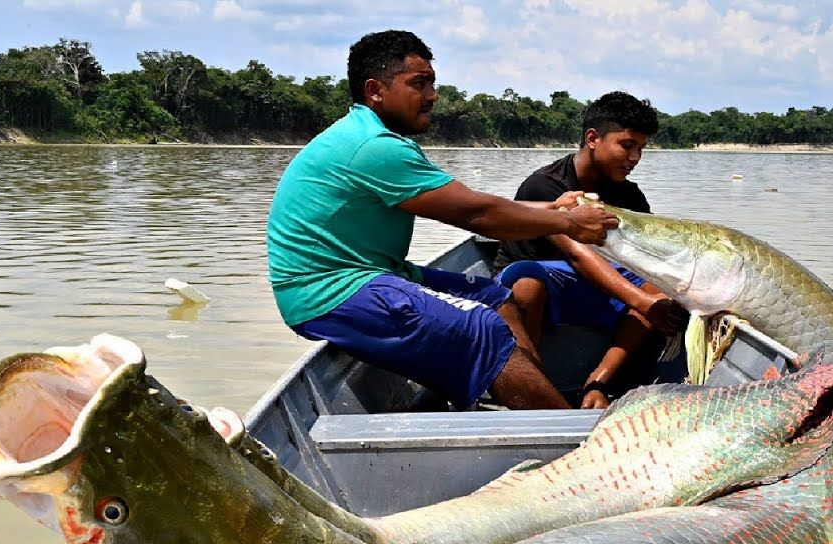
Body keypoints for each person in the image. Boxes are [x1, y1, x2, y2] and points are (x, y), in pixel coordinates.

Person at [265, 30, 619, 411]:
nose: (433, 95)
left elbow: (473, 202)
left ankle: (526, 397)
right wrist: (568, 224)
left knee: (497, 298)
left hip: (373, 272)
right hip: (327, 291)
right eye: (419, 84)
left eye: (432, 82)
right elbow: (477, 215)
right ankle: (571, 439)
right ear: (375, 90)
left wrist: (554, 210)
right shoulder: (374, 147)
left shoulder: (374, 137)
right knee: (481, 328)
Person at [494, 92, 688, 409]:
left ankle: (597, 382)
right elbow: (577, 255)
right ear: (593, 138)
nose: (635, 157)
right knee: (526, 288)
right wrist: (643, 303)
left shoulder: (630, 196)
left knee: (657, 287)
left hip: (592, 291)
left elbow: (649, 256)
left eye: (641, 148)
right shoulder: (546, 186)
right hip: (543, 289)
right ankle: (535, 392)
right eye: (626, 145)